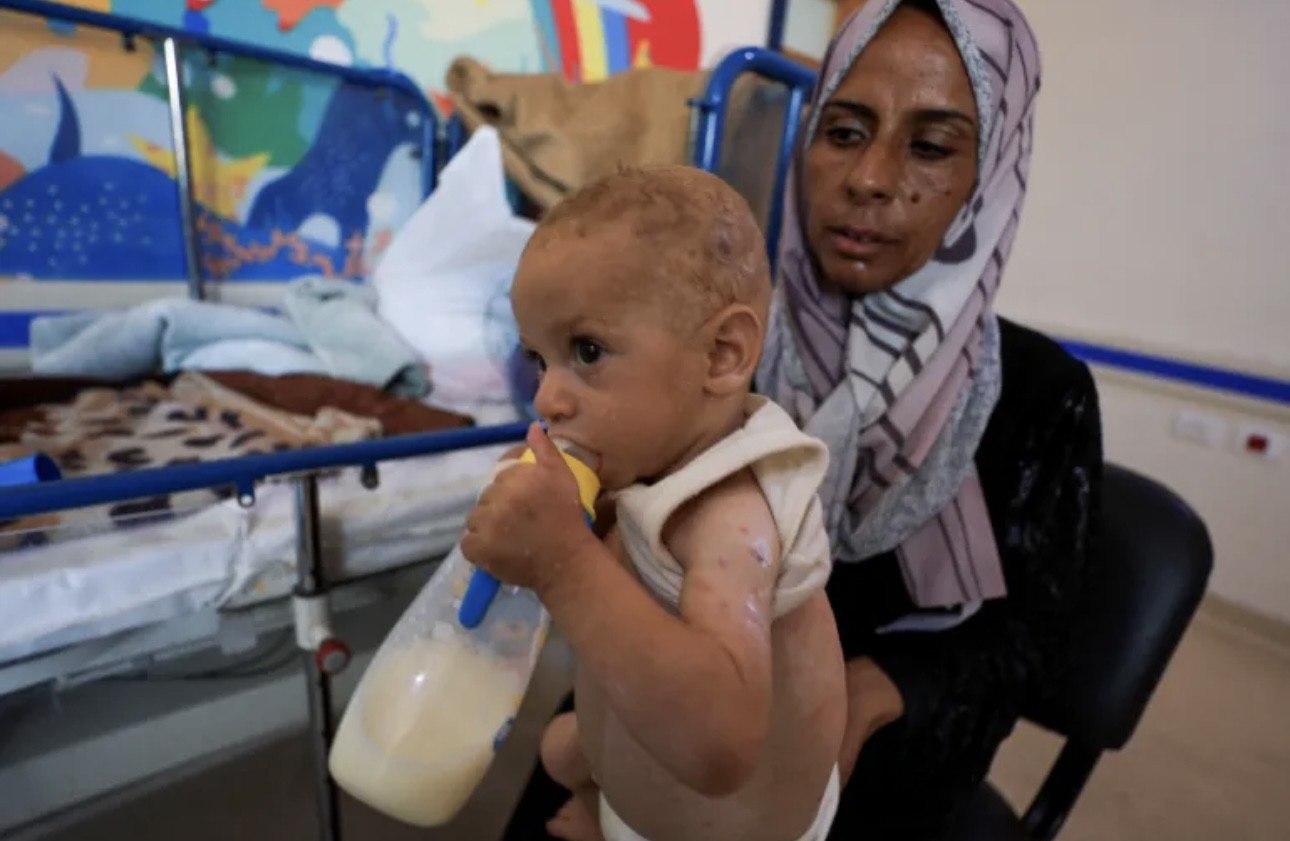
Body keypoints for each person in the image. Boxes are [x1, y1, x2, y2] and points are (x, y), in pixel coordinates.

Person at [503, 0, 1103, 838]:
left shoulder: (1041, 394)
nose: (869, 178)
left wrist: (876, 688)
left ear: (993, 169)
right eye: (844, 131)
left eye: (930, 146)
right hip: (659, 690)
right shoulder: (703, 344)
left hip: (867, 750)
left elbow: (1029, 646)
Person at [462, 165, 849, 841]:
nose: (546, 397)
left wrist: (561, 559)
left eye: (586, 351)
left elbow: (720, 744)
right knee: (558, 749)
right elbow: (632, 559)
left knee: (567, 747)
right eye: (540, 359)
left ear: (722, 355)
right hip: (641, 763)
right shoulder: (655, 456)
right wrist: (569, 515)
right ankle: (605, 799)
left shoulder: (732, 519)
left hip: (726, 827)